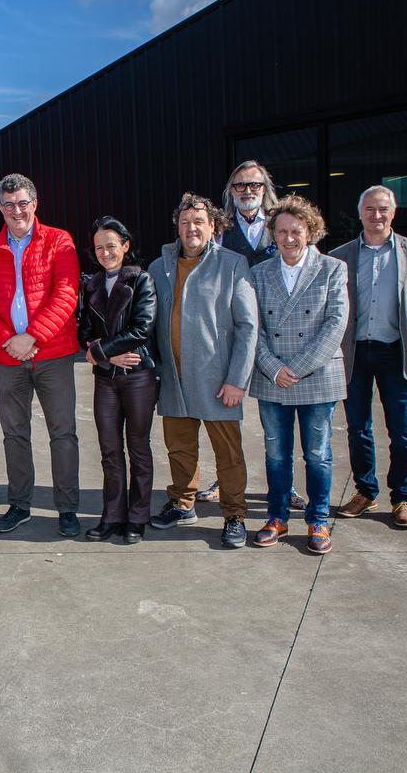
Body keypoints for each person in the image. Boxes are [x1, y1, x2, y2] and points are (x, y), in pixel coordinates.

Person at [0, 173, 82, 537]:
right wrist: (8, 340)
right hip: (8, 358)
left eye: (22, 203)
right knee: (14, 434)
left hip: (53, 353)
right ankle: (20, 504)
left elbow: (66, 293)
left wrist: (32, 336)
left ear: (34, 204)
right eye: (8, 204)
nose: (15, 210)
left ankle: (66, 508)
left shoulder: (58, 240)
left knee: (62, 433)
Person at [148, 193, 258, 548]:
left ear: (213, 226)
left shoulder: (232, 263)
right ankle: (183, 503)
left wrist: (237, 380)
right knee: (178, 448)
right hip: (173, 378)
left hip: (218, 381)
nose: (191, 228)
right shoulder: (158, 266)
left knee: (228, 453)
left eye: (199, 222)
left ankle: (234, 515)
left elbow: (247, 327)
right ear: (177, 228)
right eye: (185, 223)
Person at [331, 185, 407, 528]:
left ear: (393, 213)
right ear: (360, 212)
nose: (376, 216)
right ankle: (365, 491)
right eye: (369, 209)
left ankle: (402, 498)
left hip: (398, 352)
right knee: (357, 428)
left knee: (403, 430)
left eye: (383, 209)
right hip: (355, 355)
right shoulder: (341, 256)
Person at [202, 161, 309, 511]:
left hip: (275, 336)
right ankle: (225, 479)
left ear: (265, 189)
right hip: (230, 335)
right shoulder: (220, 229)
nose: (247, 192)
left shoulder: (282, 226)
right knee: (225, 418)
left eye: (254, 185)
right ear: (230, 192)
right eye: (240, 186)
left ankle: (284, 485)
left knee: (277, 422)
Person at [248, 195, 349, 554]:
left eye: (296, 231)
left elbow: (336, 324)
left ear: (310, 232)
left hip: (317, 377)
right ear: (272, 234)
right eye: (281, 231)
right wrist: (274, 368)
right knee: (276, 454)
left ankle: (318, 520)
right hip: (271, 378)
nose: (288, 238)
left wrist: (298, 368)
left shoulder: (332, 269)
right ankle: (276, 517)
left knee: (318, 453)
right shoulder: (258, 273)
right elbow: (251, 326)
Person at [77, 216, 158, 545]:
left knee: (138, 448)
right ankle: (112, 515)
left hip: (137, 375)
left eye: (111, 246)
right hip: (107, 378)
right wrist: (105, 355)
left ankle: (137, 517)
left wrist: (99, 350)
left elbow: (142, 327)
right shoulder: (92, 283)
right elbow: (83, 331)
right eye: (99, 247)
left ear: (125, 246)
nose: (105, 252)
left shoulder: (142, 280)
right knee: (109, 450)